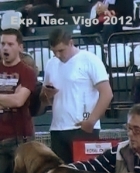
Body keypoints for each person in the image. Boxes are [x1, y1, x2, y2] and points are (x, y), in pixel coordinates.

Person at [41, 28, 113, 164]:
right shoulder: (51, 63)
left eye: (61, 50)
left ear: (71, 43)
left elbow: (107, 93)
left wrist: (91, 121)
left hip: (82, 127)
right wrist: (46, 94)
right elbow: (44, 100)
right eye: (54, 51)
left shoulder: (89, 59)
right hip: (58, 128)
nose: (57, 55)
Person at [0, 29, 37, 173]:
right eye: (2, 44)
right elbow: (13, 98)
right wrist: (9, 97)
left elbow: (18, 101)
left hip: (20, 138)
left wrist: (12, 99)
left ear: (20, 47)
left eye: (10, 44)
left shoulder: (27, 72)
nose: (5, 48)